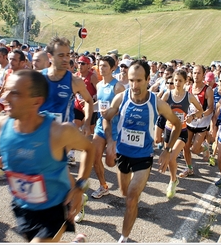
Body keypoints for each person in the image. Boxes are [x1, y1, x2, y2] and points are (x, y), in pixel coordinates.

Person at [0, 70, 95, 243]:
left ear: (37, 101)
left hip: (57, 207)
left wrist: (80, 186)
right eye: (7, 91)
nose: (6, 98)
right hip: (22, 206)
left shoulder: (59, 132)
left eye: (16, 93)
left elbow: (89, 148)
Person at [103, 60, 182, 243]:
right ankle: (132, 204)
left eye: (139, 80)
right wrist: (109, 141)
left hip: (143, 156)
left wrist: (167, 149)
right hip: (122, 154)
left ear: (148, 79)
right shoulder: (121, 98)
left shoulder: (158, 103)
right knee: (124, 193)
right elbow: (107, 119)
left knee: (131, 198)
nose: (134, 85)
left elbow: (177, 124)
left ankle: (123, 237)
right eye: (131, 80)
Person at [39, 37, 94, 135]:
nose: (65, 59)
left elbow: (89, 100)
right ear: (49, 56)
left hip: (63, 137)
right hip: (41, 134)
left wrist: (86, 123)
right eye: (61, 55)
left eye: (68, 55)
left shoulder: (75, 81)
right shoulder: (38, 77)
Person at [161, 69, 203, 198]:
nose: (177, 83)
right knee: (169, 159)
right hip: (168, 130)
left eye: (180, 81)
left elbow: (201, 111)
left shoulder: (189, 96)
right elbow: (158, 107)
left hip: (182, 132)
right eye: (175, 80)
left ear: (185, 82)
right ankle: (173, 180)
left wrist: (192, 116)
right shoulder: (168, 94)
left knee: (172, 156)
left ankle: (172, 183)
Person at [89, 56, 125, 201]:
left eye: (105, 66)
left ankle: (123, 164)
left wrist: (112, 111)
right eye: (100, 65)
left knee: (110, 162)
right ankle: (103, 186)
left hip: (115, 129)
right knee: (95, 158)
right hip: (100, 126)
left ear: (112, 68)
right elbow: (100, 103)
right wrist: (89, 107)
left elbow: (123, 109)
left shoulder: (118, 87)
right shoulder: (98, 85)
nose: (102, 68)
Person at [181, 65, 214, 177]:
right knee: (185, 146)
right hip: (189, 122)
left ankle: (205, 147)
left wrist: (198, 115)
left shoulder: (208, 90)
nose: (196, 75)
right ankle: (189, 168)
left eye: (199, 73)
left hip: (202, 123)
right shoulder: (187, 88)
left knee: (194, 150)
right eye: (194, 73)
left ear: (203, 74)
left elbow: (210, 108)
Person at [73, 55, 99, 134]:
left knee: (90, 130)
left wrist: (94, 102)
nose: (80, 65)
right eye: (79, 63)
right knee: (74, 125)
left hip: (90, 106)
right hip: (78, 106)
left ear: (88, 65)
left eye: (83, 63)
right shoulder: (75, 76)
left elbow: (99, 92)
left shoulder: (92, 77)